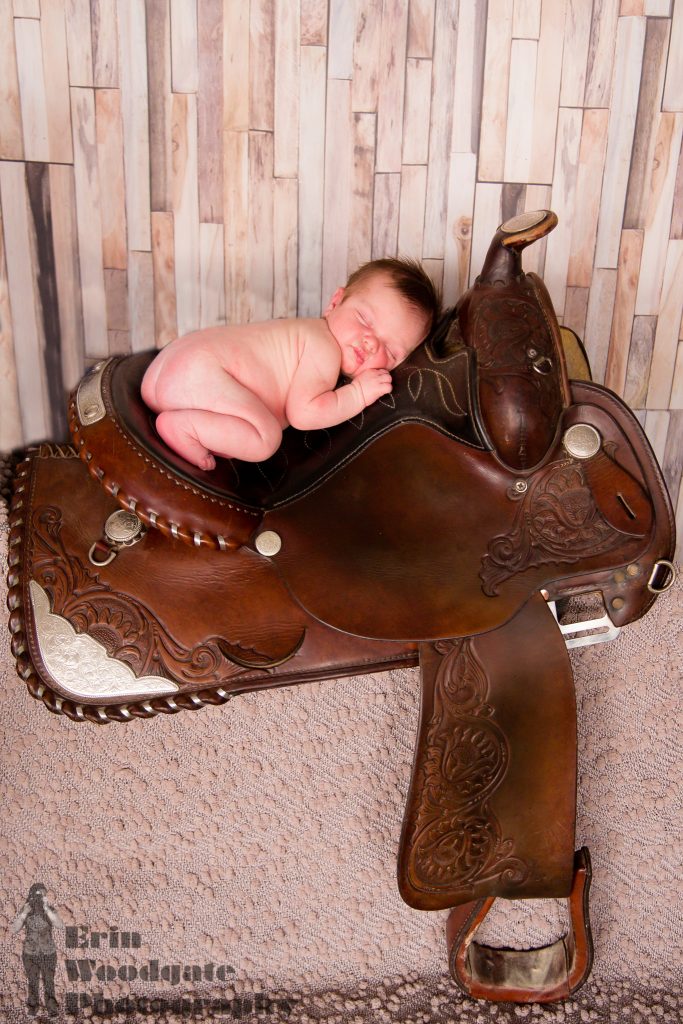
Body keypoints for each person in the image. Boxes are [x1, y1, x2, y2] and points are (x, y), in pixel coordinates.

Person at [141, 257, 440, 470]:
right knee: (264, 439)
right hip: (197, 374)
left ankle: (198, 425)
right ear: (335, 302)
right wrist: (358, 393)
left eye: (390, 350)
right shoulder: (323, 347)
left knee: (250, 426)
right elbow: (304, 414)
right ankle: (184, 427)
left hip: (166, 369)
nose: (370, 343)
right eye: (364, 319)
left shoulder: (301, 330)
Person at [11, 883, 63, 1016]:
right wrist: (23, 914)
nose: (39, 899)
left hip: (48, 952)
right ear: (31, 896)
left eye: (42, 895)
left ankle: (52, 1009)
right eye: (37, 895)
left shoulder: (49, 909)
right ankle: (33, 1007)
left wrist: (47, 909)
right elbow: (14, 929)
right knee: (32, 981)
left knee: (49, 981)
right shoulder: (25, 909)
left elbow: (59, 925)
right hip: (30, 953)